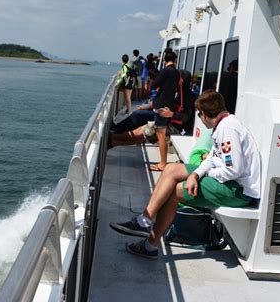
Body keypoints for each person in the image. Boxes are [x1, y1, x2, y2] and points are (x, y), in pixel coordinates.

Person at [109, 89, 261, 259]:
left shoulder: (227, 129)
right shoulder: (223, 125)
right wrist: (196, 174)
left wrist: (205, 175)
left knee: (175, 191)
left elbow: (234, 170)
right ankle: (144, 221)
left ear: (203, 114)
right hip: (228, 182)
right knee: (170, 169)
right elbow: (212, 158)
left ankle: (149, 245)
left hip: (237, 190)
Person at [109, 71, 194, 149]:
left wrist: (171, 114)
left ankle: (113, 138)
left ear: (182, 80)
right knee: (141, 132)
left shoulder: (188, 96)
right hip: (167, 121)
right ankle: (113, 141)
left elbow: (186, 116)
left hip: (175, 128)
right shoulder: (179, 93)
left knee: (141, 132)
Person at [148, 50, 181, 172]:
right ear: (175, 60)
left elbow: (154, 84)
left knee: (161, 136)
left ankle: (162, 164)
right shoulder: (176, 72)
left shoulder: (166, 70)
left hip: (161, 106)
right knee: (163, 135)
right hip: (169, 105)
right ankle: (163, 162)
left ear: (164, 60)